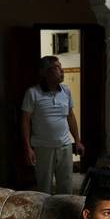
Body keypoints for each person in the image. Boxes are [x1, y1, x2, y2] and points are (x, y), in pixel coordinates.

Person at [21, 55, 84, 194]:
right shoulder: (33, 93)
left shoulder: (66, 90)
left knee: (66, 185)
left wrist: (77, 141)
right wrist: (28, 148)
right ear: (46, 72)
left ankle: (63, 214)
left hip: (65, 146)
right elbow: (25, 122)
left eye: (61, 67)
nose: (62, 71)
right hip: (43, 148)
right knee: (44, 188)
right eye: (57, 68)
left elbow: (70, 116)